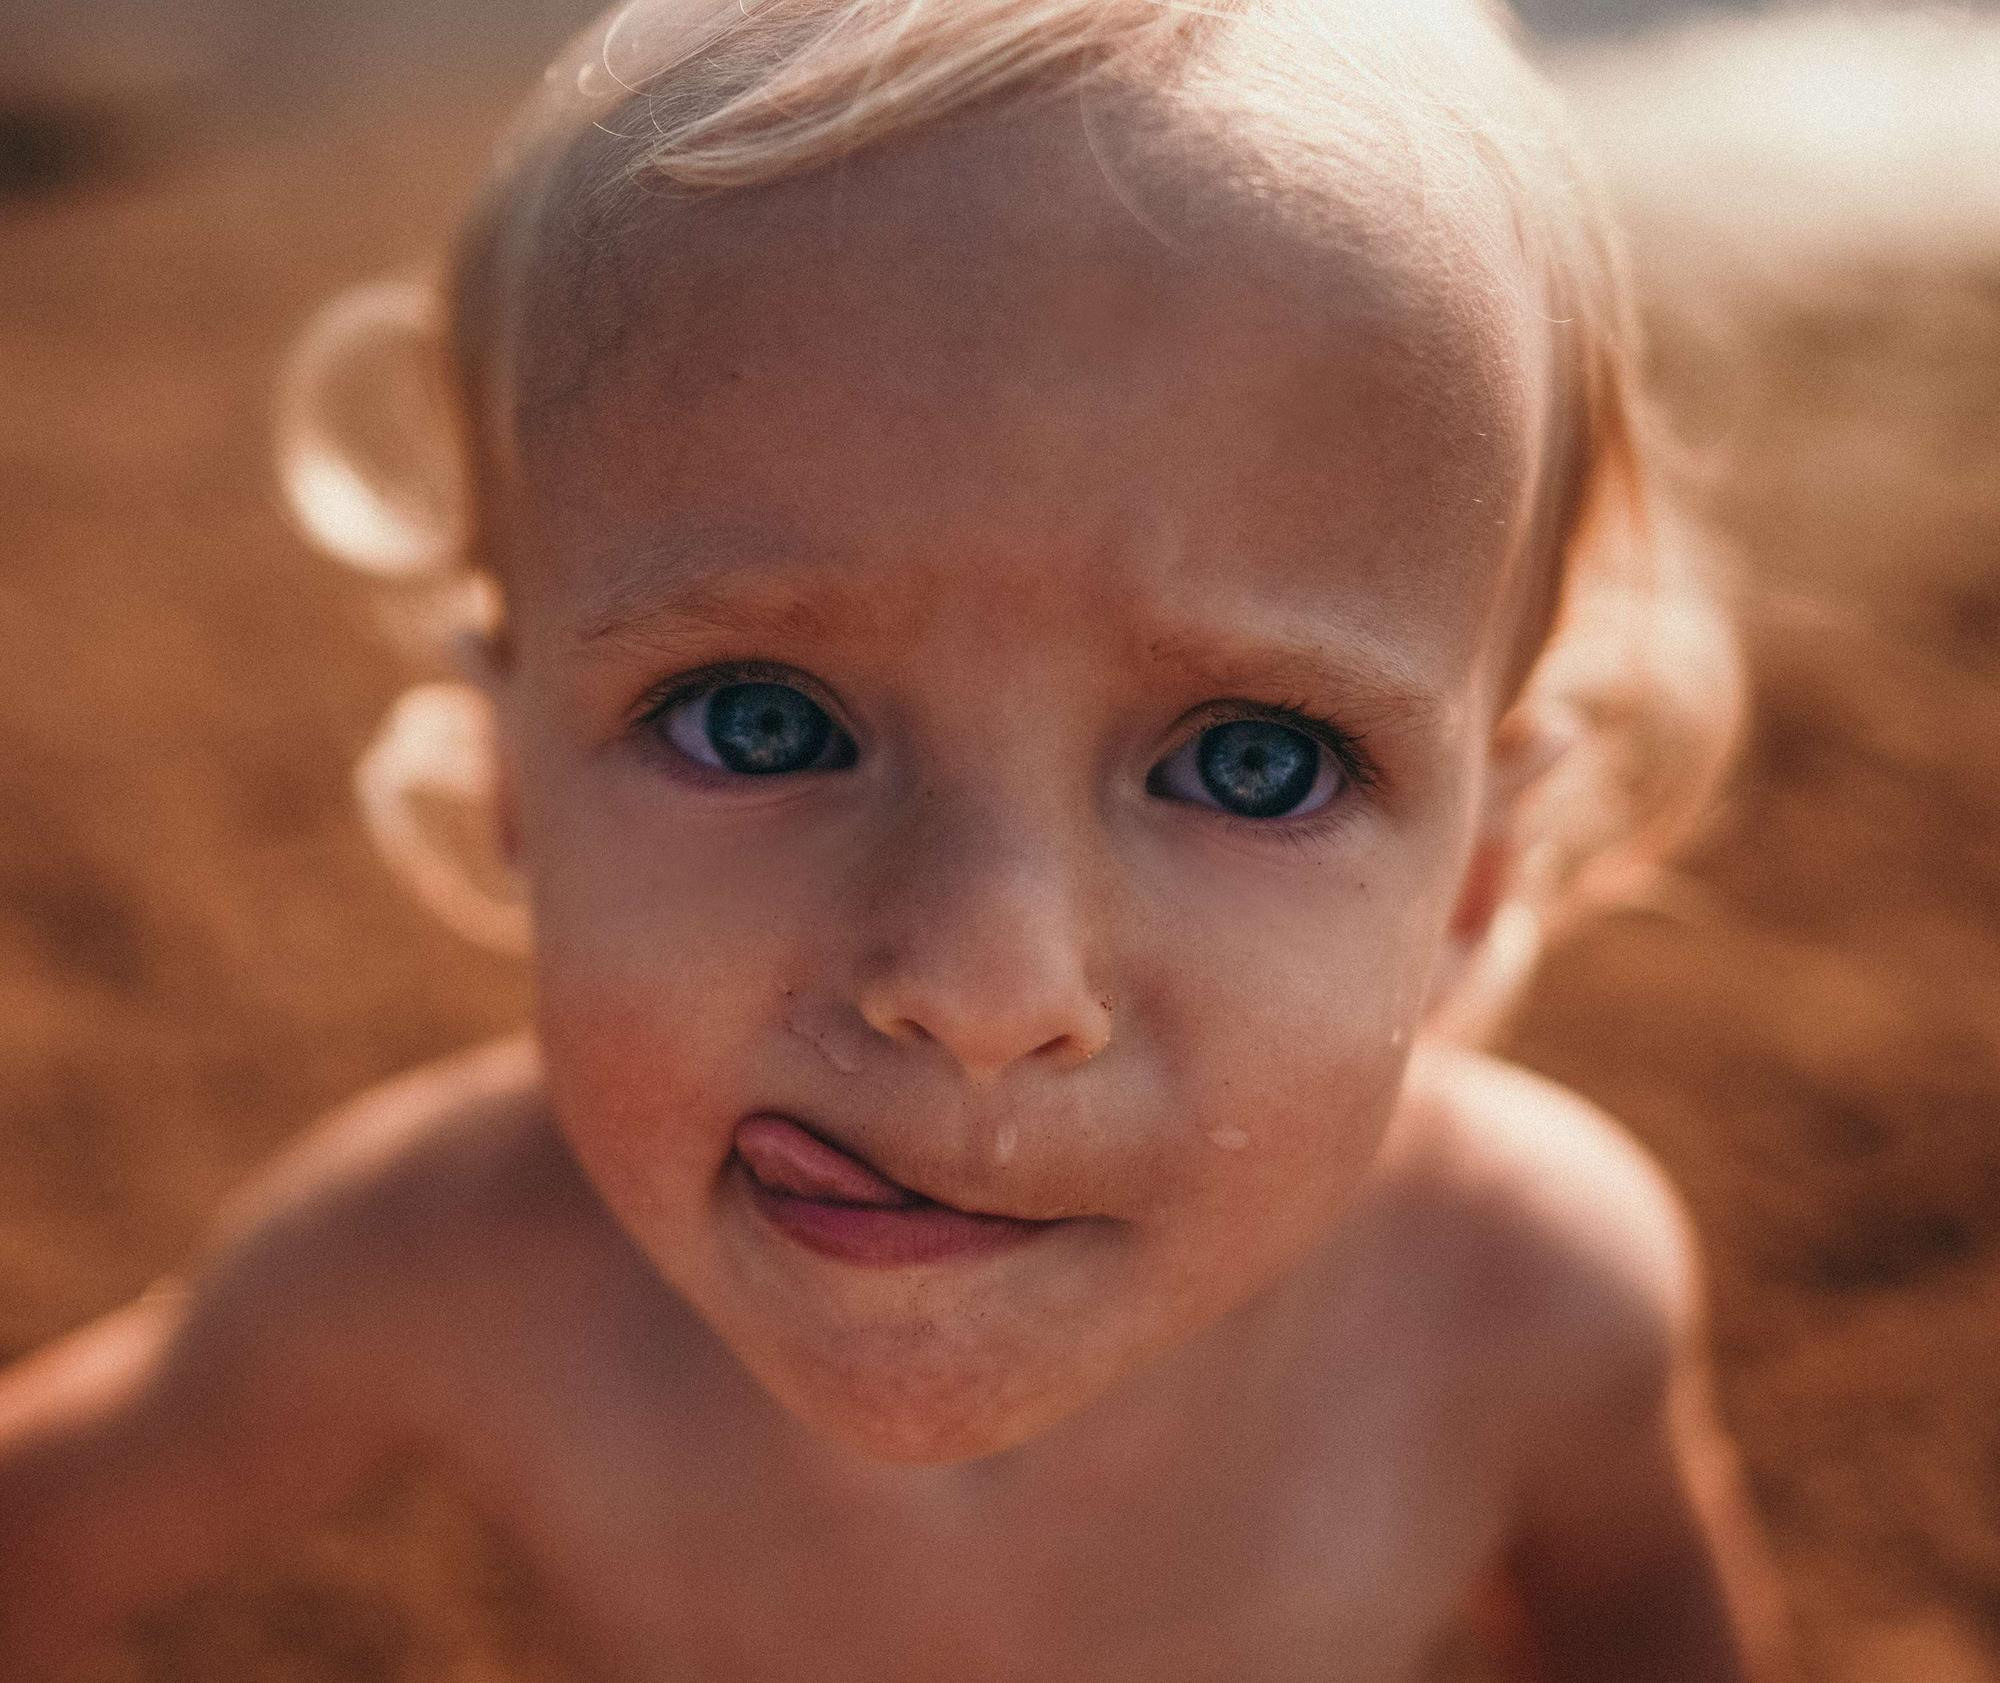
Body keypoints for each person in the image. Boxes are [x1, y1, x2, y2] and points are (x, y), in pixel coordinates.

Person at [0, 0, 1795, 1676]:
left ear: (1481, 871)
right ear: (507, 774)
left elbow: (1648, 1619)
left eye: (1256, 762)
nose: (981, 985)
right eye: (758, 720)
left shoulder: (1527, 1302)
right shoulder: (446, 1268)